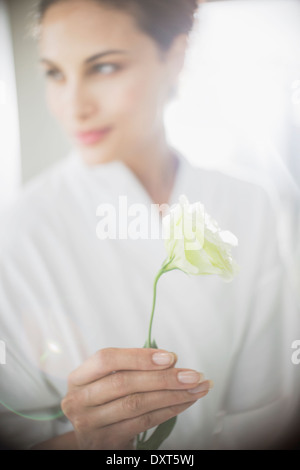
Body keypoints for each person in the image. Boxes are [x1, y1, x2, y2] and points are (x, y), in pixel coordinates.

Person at [0, 0, 298, 450]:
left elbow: (263, 410)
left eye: (103, 68)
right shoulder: (18, 231)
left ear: (174, 57)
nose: (72, 105)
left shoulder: (248, 205)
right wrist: (86, 441)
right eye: (55, 73)